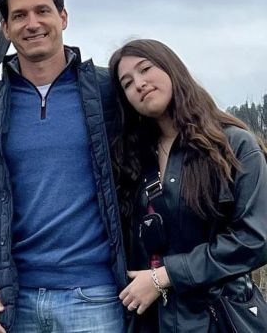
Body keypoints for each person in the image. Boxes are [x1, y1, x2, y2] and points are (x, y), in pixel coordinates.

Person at [0, 0, 127, 333]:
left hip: (97, 298)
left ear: (62, 18)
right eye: (19, 15)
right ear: (6, 28)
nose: (32, 23)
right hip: (14, 304)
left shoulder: (107, 93)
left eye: (42, 11)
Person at [109, 38, 267, 332]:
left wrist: (165, 276)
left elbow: (255, 239)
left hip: (220, 317)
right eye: (127, 83)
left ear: (172, 68)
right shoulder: (134, 161)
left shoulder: (232, 146)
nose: (139, 84)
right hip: (152, 321)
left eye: (145, 69)